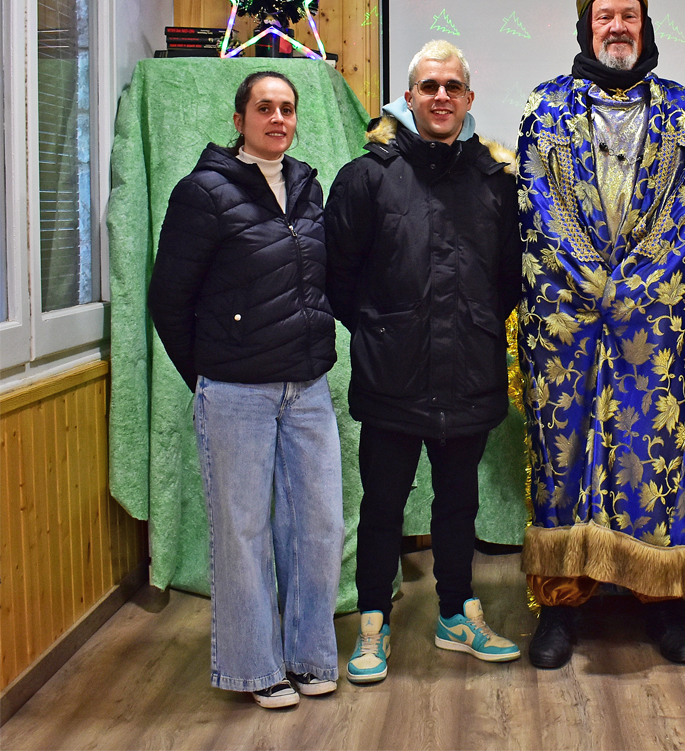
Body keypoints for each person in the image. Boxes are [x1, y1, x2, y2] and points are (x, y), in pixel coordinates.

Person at [518, 0, 685, 670]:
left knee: (654, 460)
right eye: (605, 17)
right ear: (585, 26)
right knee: (563, 460)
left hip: (653, 328)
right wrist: (591, 279)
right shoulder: (545, 109)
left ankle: (664, 605)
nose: (617, 27)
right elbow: (538, 209)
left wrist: (635, 284)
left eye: (628, 16)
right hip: (568, 325)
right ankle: (559, 608)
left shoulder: (683, 111)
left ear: (645, 25)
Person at [325, 39, 522, 684]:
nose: (441, 97)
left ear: (468, 99)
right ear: (408, 97)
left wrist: (469, 325)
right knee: (382, 505)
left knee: (458, 504)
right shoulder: (367, 178)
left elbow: (508, 281)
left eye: (453, 87)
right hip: (392, 377)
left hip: (469, 372)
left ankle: (456, 616)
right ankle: (373, 624)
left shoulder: (496, 182)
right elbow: (340, 281)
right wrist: (389, 329)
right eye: (428, 87)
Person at [149, 70, 343, 708]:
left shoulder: (309, 188)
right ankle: (253, 667)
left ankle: (310, 657)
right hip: (235, 395)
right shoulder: (202, 193)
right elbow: (169, 301)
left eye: (287, 108)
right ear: (240, 120)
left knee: (317, 528)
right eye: (265, 107)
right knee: (242, 533)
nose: (278, 118)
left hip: (308, 390)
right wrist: (208, 376)